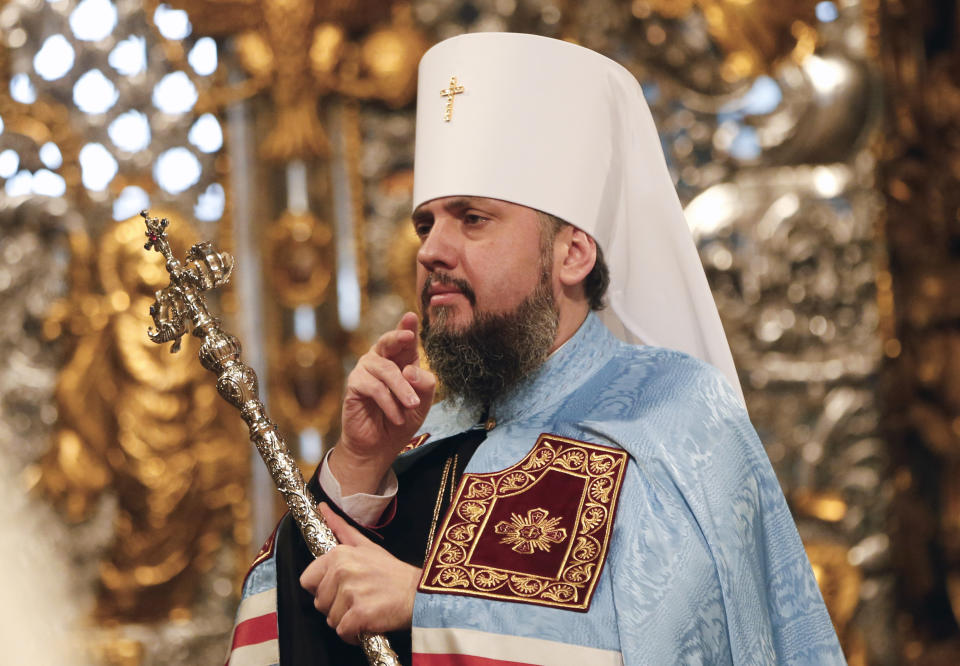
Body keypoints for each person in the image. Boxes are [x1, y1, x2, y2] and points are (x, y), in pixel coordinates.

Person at [225, 33, 846, 665]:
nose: (431, 250)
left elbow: (670, 642)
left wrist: (428, 603)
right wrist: (356, 475)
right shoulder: (418, 438)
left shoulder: (674, 416)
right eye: (426, 223)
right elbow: (269, 631)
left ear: (572, 254)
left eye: (472, 219)